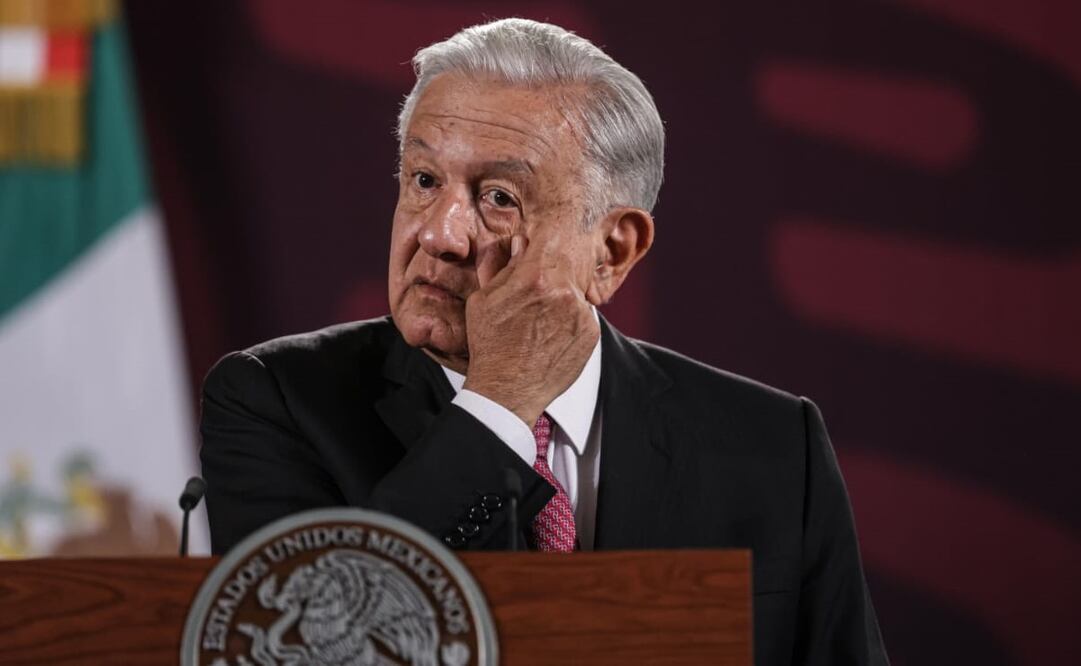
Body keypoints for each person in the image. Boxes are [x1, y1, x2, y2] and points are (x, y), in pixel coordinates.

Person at [200, 18, 888, 665]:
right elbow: (318, 650)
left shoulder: (774, 444)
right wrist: (498, 405)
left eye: (498, 197)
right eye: (424, 180)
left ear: (612, 251)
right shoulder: (275, 403)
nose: (438, 234)